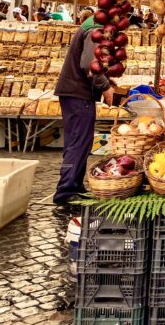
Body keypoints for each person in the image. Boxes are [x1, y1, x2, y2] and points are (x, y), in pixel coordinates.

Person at [53, 22, 116, 205]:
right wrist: (105, 87)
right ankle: (66, 191)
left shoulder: (95, 27)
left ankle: (75, 185)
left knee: (81, 141)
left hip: (77, 94)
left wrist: (107, 80)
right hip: (77, 94)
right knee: (78, 142)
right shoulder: (94, 30)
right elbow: (89, 64)